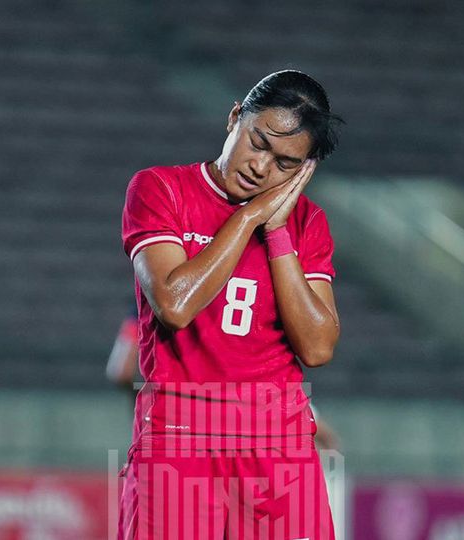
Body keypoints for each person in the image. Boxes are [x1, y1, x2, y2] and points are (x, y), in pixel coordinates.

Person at [118, 70, 343, 539]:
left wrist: (278, 231)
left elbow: (319, 348)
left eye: (285, 163)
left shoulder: (307, 224)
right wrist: (251, 218)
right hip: (181, 435)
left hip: (277, 443)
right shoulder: (162, 189)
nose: (262, 167)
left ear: (304, 170)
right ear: (235, 117)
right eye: (258, 142)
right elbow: (174, 305)